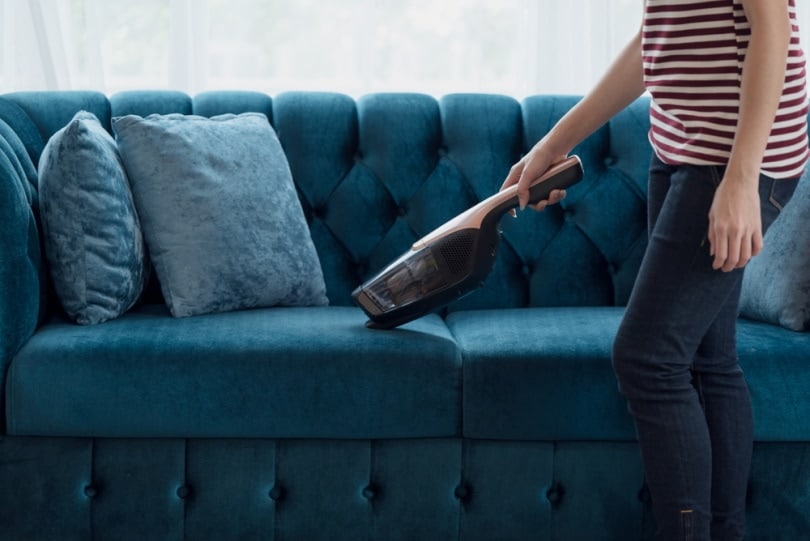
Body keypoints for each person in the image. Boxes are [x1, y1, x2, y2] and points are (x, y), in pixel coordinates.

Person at [500, 1, 808, 539]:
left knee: (647, 359)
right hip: (680, 147)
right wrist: (554, 143)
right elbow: (657, 35)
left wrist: (741, 179)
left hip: (730, 157)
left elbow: (772, 27)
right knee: (708, 360)